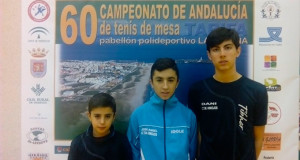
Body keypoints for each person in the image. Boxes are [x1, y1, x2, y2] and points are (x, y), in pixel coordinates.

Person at [188, 27, 268, 160]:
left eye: (227, 47)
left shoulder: (257, 91)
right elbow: (198, 136)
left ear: (238, 51)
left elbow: (258, 138)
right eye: (216, 49)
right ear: (209, 55)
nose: (222, 54)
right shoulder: (198, 90)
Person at [127, 58, 197, 160]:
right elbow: (133, 152)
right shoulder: (138, 115)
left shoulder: (189, 116)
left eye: (170, 80)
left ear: (177, 83)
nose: (165, 86)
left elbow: (192, 153)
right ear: (151, 83)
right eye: (159, 80)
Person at [68, 93, 132, 160]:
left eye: (107, 116)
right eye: (97, 116)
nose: (102, 122)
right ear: (89, 116)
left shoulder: (122, 142)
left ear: (113, 117)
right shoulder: (78, 143)